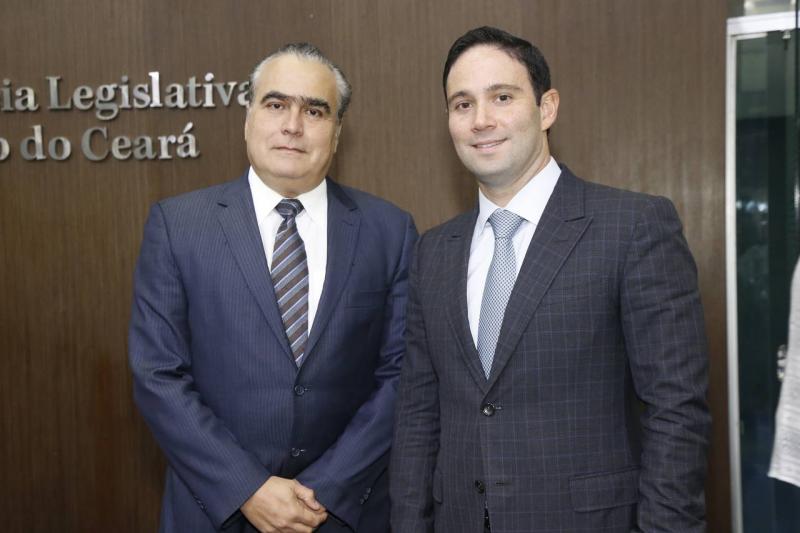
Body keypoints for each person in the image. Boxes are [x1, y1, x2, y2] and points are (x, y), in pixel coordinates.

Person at [390, 26, 710, 533]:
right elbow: (417, 416)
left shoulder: (633, 227)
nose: (481, 120)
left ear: (547, 108)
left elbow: (676, 411)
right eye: (462, 104)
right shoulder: (433, 251)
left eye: (502, 97)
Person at [129, 42, 416, 533]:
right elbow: (157, 373)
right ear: (248, 118)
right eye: (276, 104)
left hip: (340, 512)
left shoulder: (390, 231)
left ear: (337, 132)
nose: (293, 125)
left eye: (315, 111)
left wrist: (323, 491)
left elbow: (402, 375)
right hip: (214, 511)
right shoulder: (179, 226)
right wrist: (248, 488)